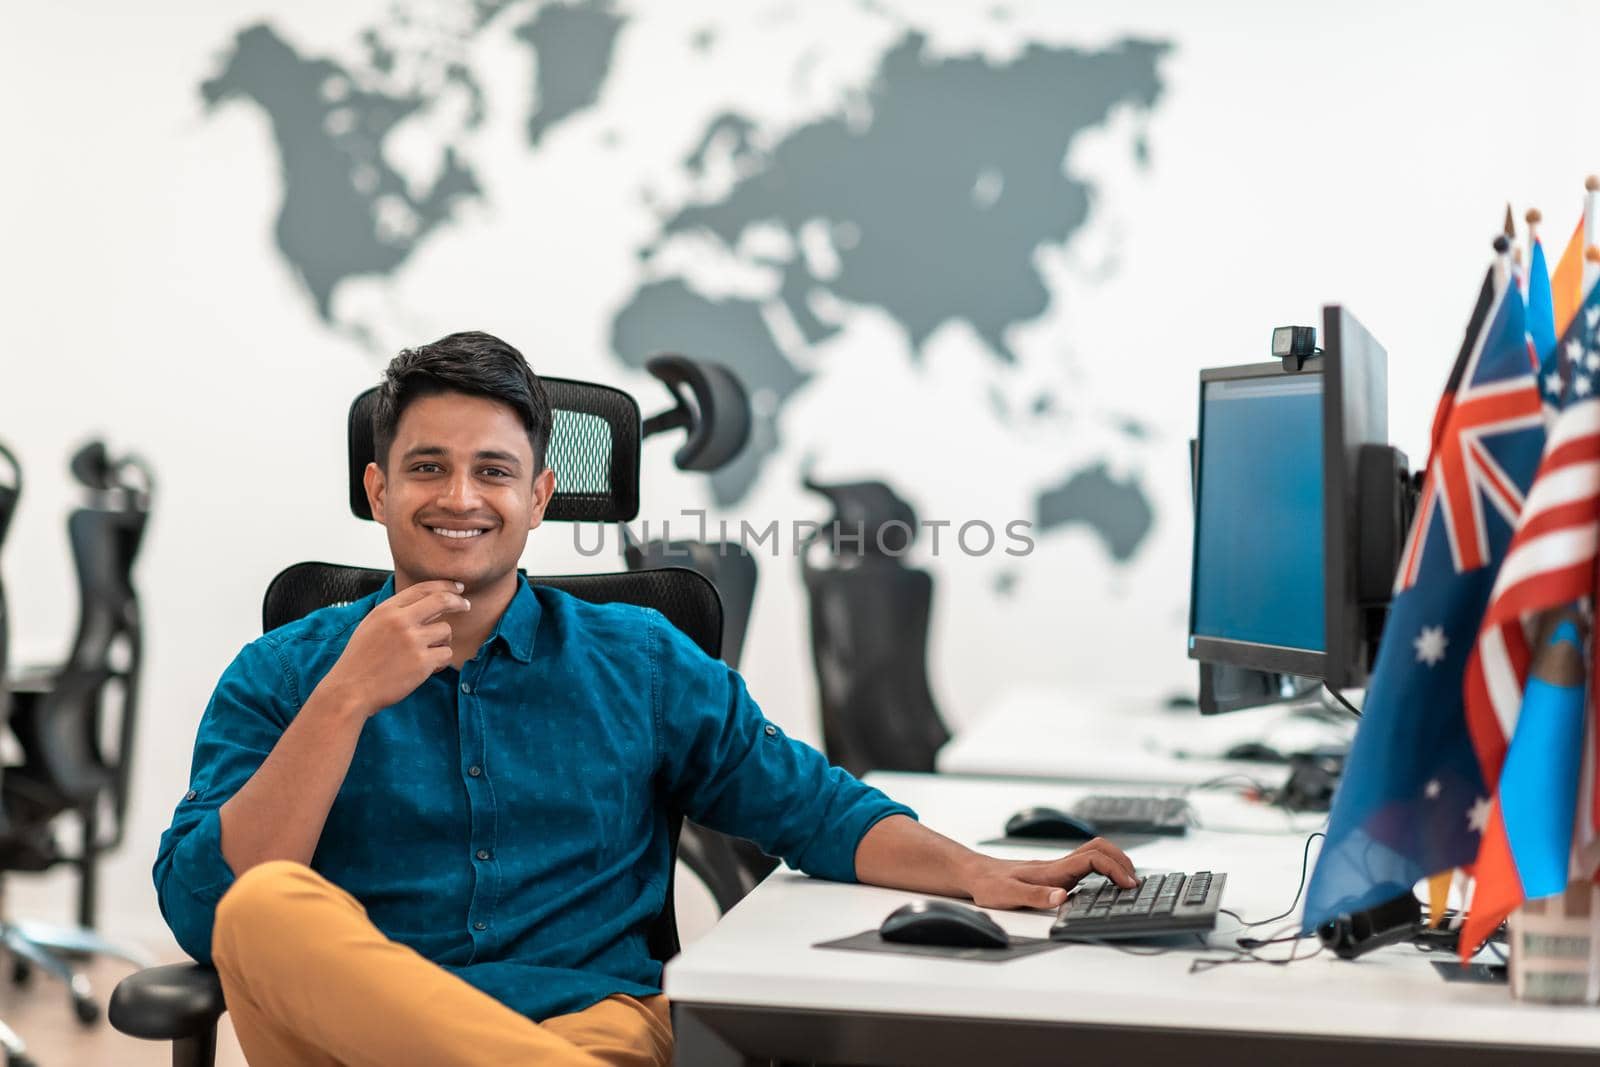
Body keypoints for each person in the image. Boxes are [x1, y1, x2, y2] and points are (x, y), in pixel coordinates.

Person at [154, 331, 1137, 1067]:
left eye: (493, 470)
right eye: (426, 467)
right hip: (356, 1041)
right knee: (265, 904)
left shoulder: (637, 657)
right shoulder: (284, 669)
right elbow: (207, 911)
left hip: (588, 1025)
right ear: (376, 488)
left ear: (541, 493)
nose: (461, 495)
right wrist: (342, 701)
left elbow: (813, 807)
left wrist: (978, 872)